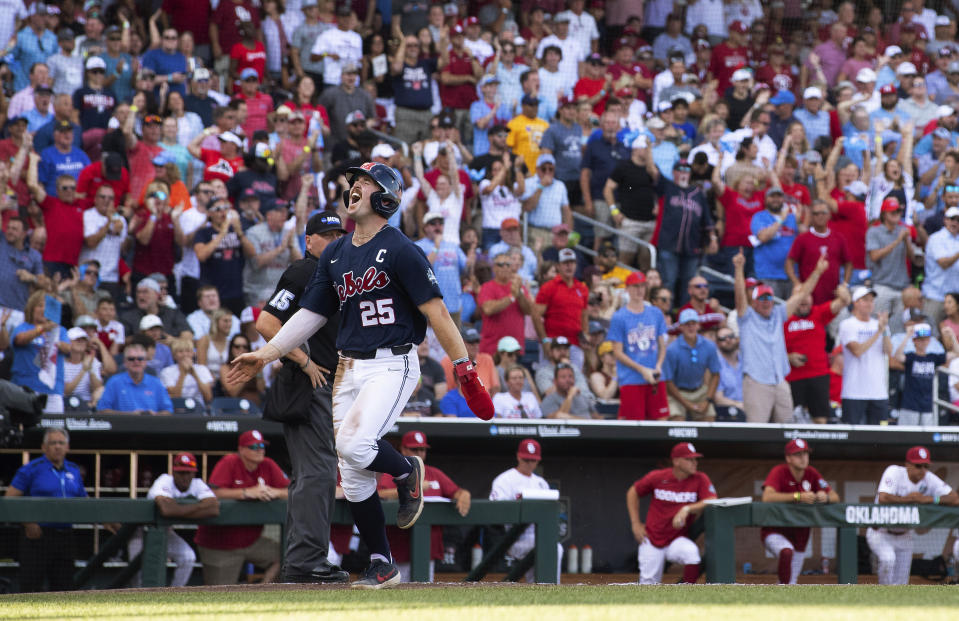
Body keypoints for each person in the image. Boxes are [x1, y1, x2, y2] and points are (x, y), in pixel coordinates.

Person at [228, 162, 494, 589]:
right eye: (354, 181)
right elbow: (311, 314)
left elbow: (437, 311)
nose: (354, 187)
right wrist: (268, 352)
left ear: (385, 196)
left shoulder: (402, 248)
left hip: (394, 360)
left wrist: (465, 366)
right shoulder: (334, 253)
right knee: (350, 472)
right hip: (347, 365)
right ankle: (381, 562)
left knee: (353, 445)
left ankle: (408, 470)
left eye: (364, 182)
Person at [256, 210, 350, 584]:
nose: (333, 241)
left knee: (312, 474)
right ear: (309, 241)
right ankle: (307, 562)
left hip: (330, 382)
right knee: (319, 472)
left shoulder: (339, 275)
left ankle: (302, 560)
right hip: (309, 382)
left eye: (339, 235)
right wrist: (304, 359)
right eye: (326, 236)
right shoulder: (303, 270)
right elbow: (266, 323)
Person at [734, 248, 828, 423]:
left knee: (787, 431)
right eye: (762, 299)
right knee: (757, 431)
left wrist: (818, 272)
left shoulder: (778, 314)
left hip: (780, 381)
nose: (767, 302)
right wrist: (739, 269)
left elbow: (801, 295)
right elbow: (740, 297)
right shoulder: (746, 318)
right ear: (754, 302)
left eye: (769, 298)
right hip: (757, 381)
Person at [194, 430, 289, 585]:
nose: (260, 450)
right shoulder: (229, 462)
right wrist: (247, 493)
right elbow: (214, 492)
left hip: (251, 541)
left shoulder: (268, 464)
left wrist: (275, 492)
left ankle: (264, 592)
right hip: (219, 544)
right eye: (254, 446)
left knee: (287, 557)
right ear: (241, 450)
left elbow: (292, 491)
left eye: (262, 446)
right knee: (220, 595)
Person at [377, 431, 471, 582]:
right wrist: (412, 487)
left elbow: (456, 491)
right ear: (403, 449)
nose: (419, 453)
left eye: (422, 449)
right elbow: (379, 494)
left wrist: (464, 494)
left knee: (425, 589)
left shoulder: (434, 473)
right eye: (414, 449)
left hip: (428, 546)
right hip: (398, 546)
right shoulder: (392, 471)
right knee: (398, 593)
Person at [4, 428, 87, 593]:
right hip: (38, 535)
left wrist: (106, 519)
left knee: (64, 589)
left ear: (67, 447)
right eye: (53, 443)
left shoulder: (73, 470)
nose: (57, 447)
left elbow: (84, 500)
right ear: (44, 447)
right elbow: (9, 500)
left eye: (61, 443)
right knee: (31, 587)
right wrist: (28, 522)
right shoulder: (31, 469)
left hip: (65, 535)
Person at [626, 442, 717, 585]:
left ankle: (686, 593)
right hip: (651, 538)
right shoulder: (658, 476)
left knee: (691, 553)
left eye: (695, 459)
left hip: (676, 539)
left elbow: (712, 500)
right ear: (676, 461)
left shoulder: (700, 478)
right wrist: (635, 523)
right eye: (689, 459)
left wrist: (687, 509)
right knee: (648, 584)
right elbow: (633, 492)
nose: (694, 463)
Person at [867, 446, 959, 585]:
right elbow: (883, 498)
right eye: (918, 466)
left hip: (904, 534)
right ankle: (883, 595)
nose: (922, 470)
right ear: (908, 464)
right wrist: (909, 499)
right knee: (888, 559)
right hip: (881, 532)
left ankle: (898, 604)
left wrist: (930, 499)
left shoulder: (928, 478)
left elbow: (954, 498)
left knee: (902, 583)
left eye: (926, 466)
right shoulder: (894, 472)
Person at [127, 452, 220, 587]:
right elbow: (166, 510)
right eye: (181, 472)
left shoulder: (197, 484)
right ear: (174, 472)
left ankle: (175, 593)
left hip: (165, 532)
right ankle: (134, 602)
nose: (185, 477)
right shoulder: (164, 480)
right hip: (140, 532)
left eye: (188, 472)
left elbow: (214, 509)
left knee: (188, 557)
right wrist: (199, 506)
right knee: (136, 574)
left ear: (194, 473)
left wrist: (178, 510)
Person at [760, 439, 839, 584]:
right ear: (788, 458)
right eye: (798, 454)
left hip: (800, 535)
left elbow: (835, 497)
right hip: (775, 530)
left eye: (805, 453)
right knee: (786, 551)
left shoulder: (812, 473)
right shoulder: (779, 471)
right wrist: (797, 496)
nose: (803, 458)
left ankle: (780, 601)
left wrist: (825, 497)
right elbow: (767, 497)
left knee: (791, 581)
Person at [489, 439, 562, 583]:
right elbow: (494, 512)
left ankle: (551, 588)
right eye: (526, 459)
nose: (529, 463)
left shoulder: (541, 483)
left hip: (535, 534)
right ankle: (546, 588)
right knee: (549, 547)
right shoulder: (504, 480)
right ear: (518, 457)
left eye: (533, 460)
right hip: (512, 537)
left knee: (553, 546)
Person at [784, 284, 851, 424]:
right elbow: (773, 351)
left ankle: (817, 447)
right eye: (799, 296)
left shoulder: (818, 313)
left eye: (806, 295)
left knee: (820, 420)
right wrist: (788, 357)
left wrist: (842, 290)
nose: (803, 300)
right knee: (791, 420)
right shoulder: (782, 319)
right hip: (792, 377)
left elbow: (844, 301)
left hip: (818, 376)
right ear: (792, 299)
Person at [609, 271, 668, 420]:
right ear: (627, 289)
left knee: (661, 421)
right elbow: (617, 352)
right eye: (635, 286)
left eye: (642, 286)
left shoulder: (655, 313)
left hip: (656, 377)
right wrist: (642, 370)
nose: (639, 290)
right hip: (631, 379)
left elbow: (662, 343)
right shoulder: (619, 317)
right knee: (633, 425)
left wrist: (659, 365)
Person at [838, 287, 892, 425]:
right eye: (865, 300)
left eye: (872, 300)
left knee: (879, 439)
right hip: (854, 392)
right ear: (855, 302)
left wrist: (884, 331)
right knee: (853, 439)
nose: (870, 304)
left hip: (878, 392)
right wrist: (878, 332)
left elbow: (888, 351)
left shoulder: (879, 325)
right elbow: (857, 351)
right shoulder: (847, 324)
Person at [534, 248, 588, 368]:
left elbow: (584, 316)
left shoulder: (582, 288)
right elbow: (536, 315)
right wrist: (544, 341)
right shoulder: (548, 287)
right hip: (553, 343)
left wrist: (585, 336)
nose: (569, 266)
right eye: (565, 263)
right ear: (558, 266)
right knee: (550, 377)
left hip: (574, 344)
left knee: (574, 378)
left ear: (576, 265)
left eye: (572, 263)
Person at [663, 309, 721, 422]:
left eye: (693, 323)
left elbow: (716, 374)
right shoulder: (672, 350)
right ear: (680, 327)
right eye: (687, 324)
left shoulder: (709, 346)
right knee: (677, 421)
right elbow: (668, 382)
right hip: (677, 392)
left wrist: (707, 400)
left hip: (700, 391)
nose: (691, 327)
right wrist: (686, 403)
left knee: (709, 421)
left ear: (698, 325)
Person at [892, 323, 951, 427]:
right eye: (920, 339)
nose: (923, 342)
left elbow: (956, 353)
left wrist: (952, 336)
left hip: (927, 405)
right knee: (907, 436)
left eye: (926, 339)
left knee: (927, 438)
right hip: (910, 405)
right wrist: (907, 336)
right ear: (914, 341)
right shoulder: (911, 357)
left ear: (929, 340)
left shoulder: (933, 357)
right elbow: (897, 356)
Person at [96, 341, 174, 415]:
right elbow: (102, 410)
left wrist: (154, 415)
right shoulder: (114, 382)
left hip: (151, 426)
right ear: (125, 362)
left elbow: (168, 411)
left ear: (145, 362)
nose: (136, 362)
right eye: (131, 359)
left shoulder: (156, 383)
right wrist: (130, 415)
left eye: (140, 359)